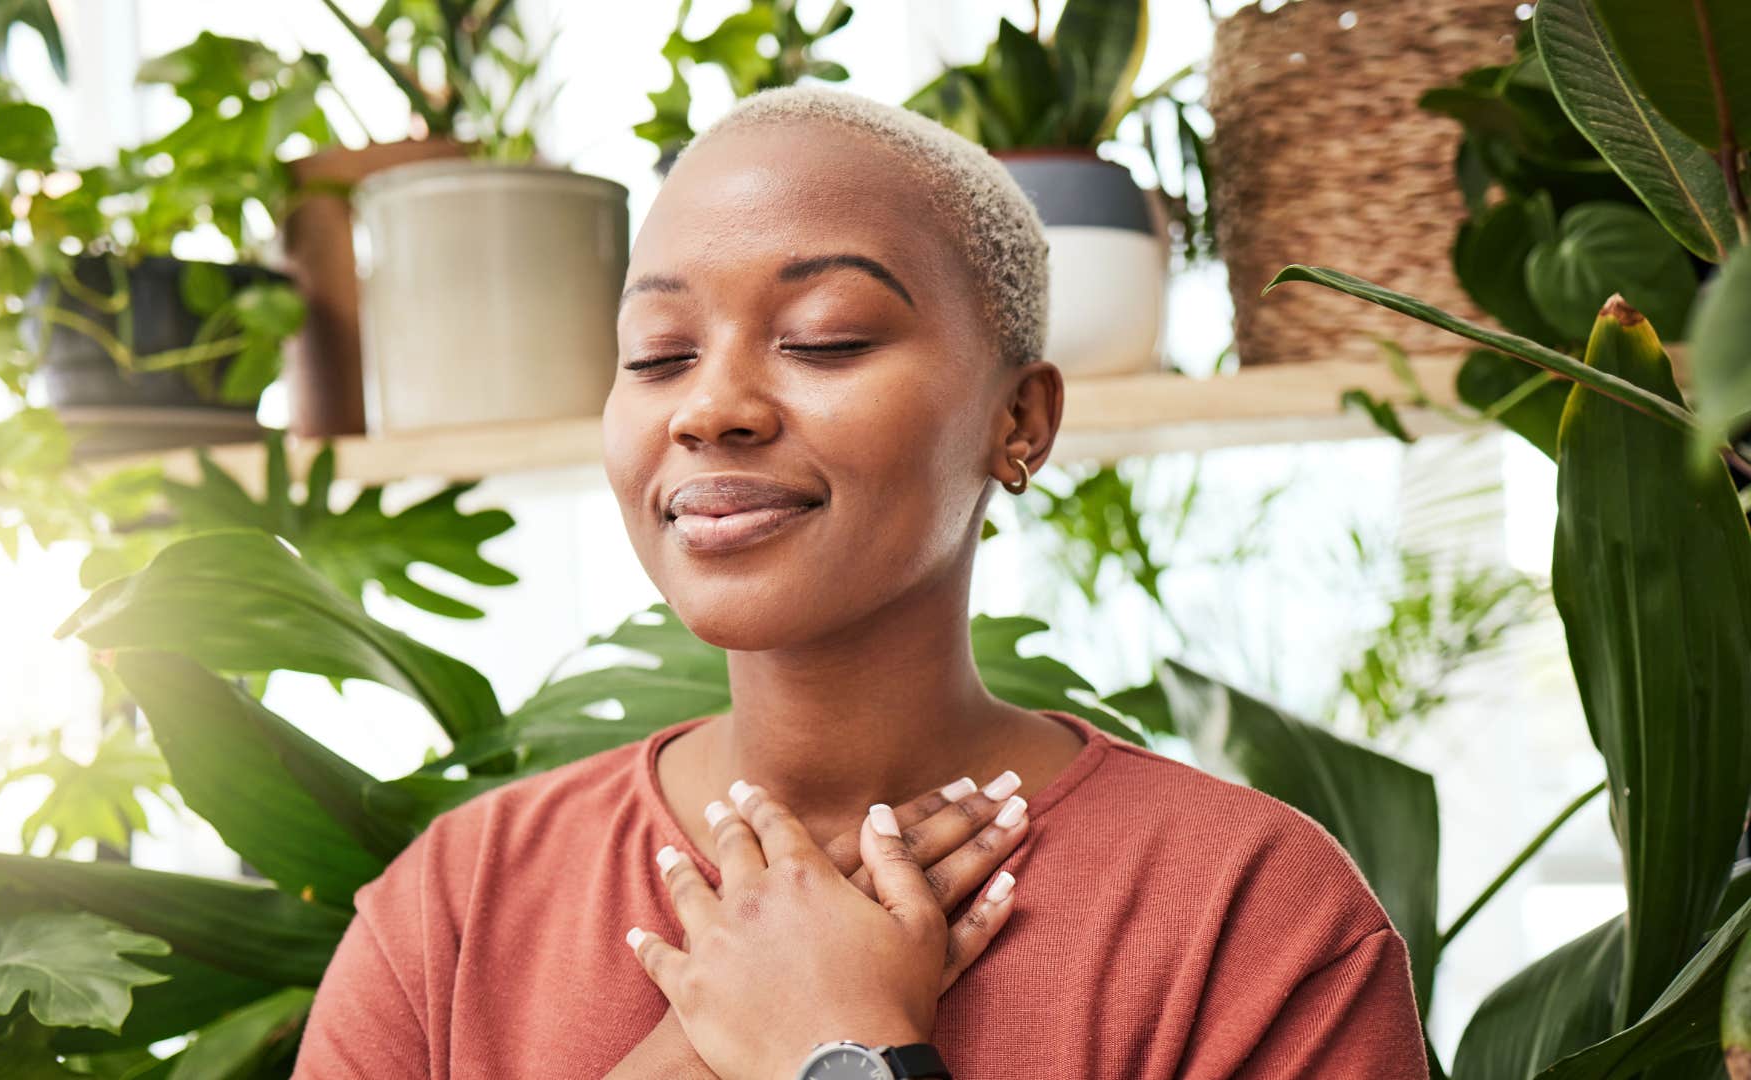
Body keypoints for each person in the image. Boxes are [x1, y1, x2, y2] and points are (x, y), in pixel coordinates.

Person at [294, 84, 1429, 1079]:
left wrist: (841, 1052)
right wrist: (699, 1051)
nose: (708, 407)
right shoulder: (454, 905)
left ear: (1018, 419)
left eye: (826, 339)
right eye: (657, 354)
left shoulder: (1250, 917)